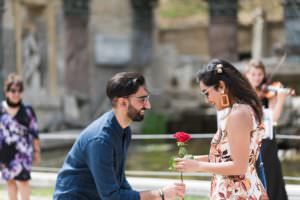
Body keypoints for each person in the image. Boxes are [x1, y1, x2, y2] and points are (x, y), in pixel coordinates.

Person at [53, 72, 185, 200]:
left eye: (147, 99)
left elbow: (119, 182)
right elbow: (112, 197)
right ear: (122, 103)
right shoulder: (100, 140)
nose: (148, 105)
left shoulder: (124, 130)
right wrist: (160, 194)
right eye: (142, 100)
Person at [175, 59, 268, 199]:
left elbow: (239, 166)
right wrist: (193, 160)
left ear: (221, 86)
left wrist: (198, 166)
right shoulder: (243, 110)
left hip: (238, 194)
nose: (207, 100)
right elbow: (227, 159)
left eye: (206, 93)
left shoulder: (238, 115)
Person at [245, 59, 288, 200]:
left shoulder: (269, 92)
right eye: (253, 74)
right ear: (247, 75)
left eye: (260, 74)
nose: (257, 78)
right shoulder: (243, 94)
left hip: (267, 139)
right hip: (249, 139)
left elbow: (274, 118)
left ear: (264, 75)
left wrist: (280, 99)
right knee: (251, 174)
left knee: (270, 173)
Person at [0, 73, 40, 200]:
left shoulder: (28, 110)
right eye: (13, 90)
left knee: (23, 182)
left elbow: (35, 133)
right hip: (5, 153)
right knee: (10, 182)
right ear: (6, 92)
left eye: (19, 90)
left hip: (23, 154)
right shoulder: (0, 109)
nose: (16, 93)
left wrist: (37, 152)